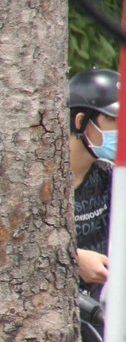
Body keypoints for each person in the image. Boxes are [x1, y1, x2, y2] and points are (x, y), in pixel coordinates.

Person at [69, 67, 117, 298]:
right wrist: (73, 259)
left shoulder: (109, 178)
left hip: (103, 320)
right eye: (112, 120)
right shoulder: (38, 182)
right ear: (81, 122)